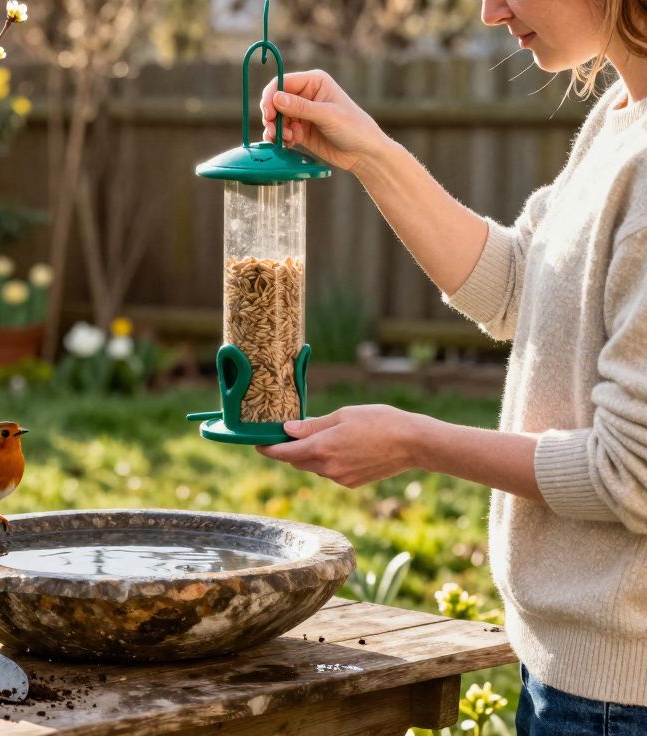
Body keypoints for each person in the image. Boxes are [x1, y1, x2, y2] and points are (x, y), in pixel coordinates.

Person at [252, 1, 647, 733]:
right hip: (571, 672)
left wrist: (414, 442)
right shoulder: (621, 117)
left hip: (623, 697)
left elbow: (631, 472)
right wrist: (369, 151)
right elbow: (515, 286)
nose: (492, 11)